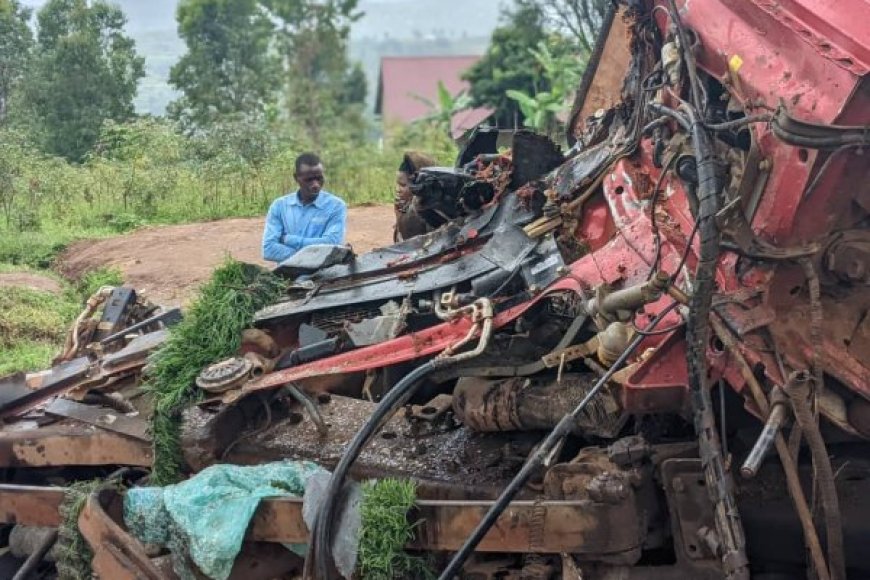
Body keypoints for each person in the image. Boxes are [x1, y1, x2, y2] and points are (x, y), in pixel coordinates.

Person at [262, 152, 347, 264]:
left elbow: (331, 245)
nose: (316, 184)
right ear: (296, 178)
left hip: (323, 275)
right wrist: (312, 256)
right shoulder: (279, 206)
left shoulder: (336, 206)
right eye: (309, 180)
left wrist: (288, 239)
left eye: (319, 178)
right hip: (287, 275)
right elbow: (269, 250)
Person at [394, 151, 436, 242]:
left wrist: (401, 219)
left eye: (403, 185)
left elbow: (410, 246)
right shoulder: (407, 206)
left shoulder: (424, 211)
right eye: (397, 184)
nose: (397, 189)